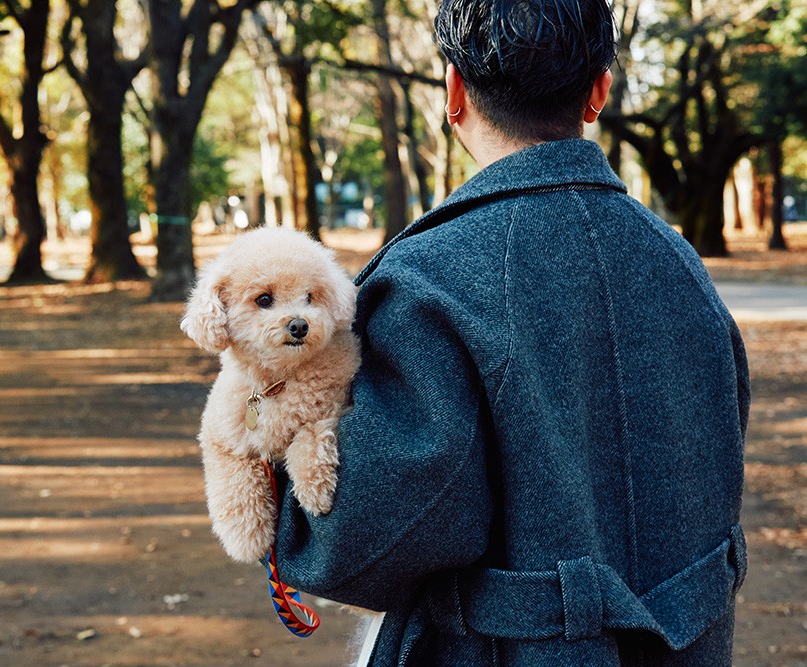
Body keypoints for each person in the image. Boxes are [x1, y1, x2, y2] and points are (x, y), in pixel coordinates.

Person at [270, 0, 750, 664]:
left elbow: (357, 542)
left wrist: (268, 454)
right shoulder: (679, 264)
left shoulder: (428, 281)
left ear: (454, 91)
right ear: (599, 92)